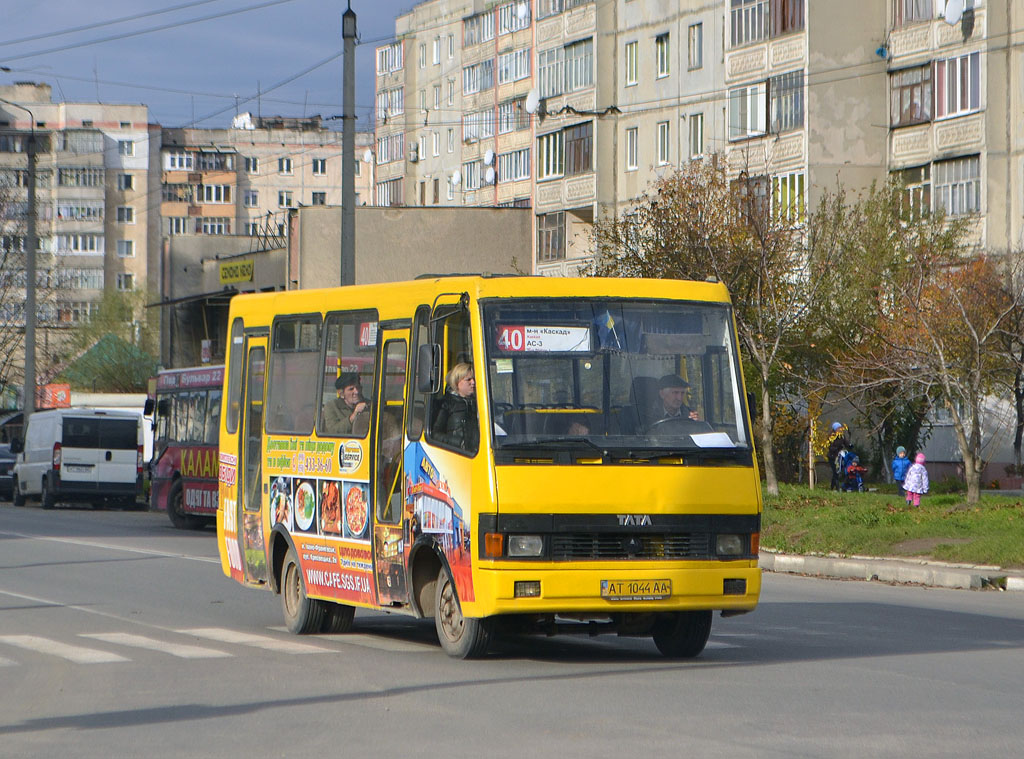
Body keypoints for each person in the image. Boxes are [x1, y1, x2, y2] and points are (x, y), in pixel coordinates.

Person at [433, 362, 479, 451]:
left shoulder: (479, 404)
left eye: (474, 379)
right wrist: (459, 443)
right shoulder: (447, 404)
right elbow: (435, 434)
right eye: (468, 379)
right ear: (457, 382)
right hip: (456, 455)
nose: (473, 382)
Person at [826, 422, 850, 491]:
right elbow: (830, 447)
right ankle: (837, 487)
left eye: (840, 427)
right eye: (839, 428)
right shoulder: (831, 437)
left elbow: (846, 442)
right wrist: (837, 448)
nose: (840, 429)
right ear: (835, 429)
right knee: (835, 472)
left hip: (839, 456)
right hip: (832, 457)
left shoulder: (841, 436)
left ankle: (832, 486)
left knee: (836, 472)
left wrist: (849, 445)